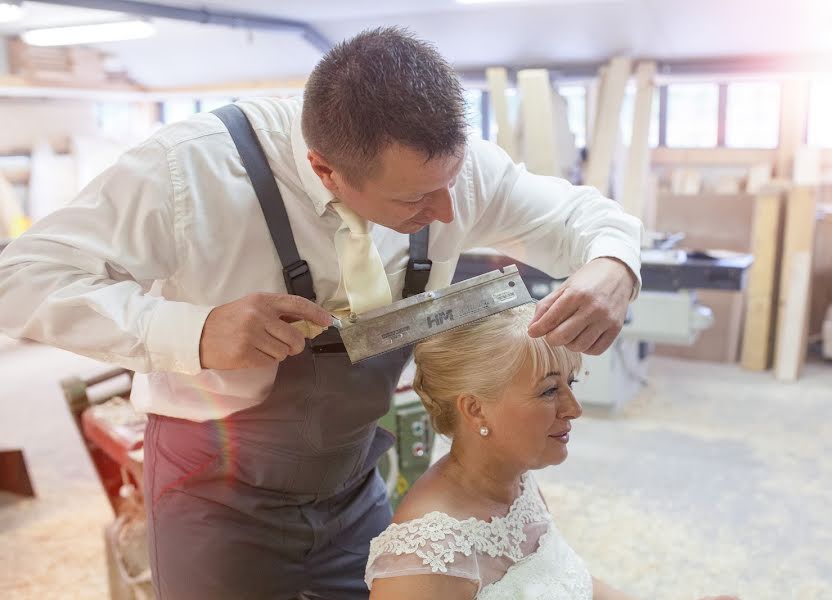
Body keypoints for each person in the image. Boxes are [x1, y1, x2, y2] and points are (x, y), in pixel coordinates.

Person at [0, 27, 641, 599]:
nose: (449, 214)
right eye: (416, 199)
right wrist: (191, 331)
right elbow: (20, 279)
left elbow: (585, 219)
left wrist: (614, 264)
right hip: (213, 494)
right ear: (325, 170)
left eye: (452, 182)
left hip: (350, 479)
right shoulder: (187, 173)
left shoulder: (454, 177)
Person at [367, 304, 738, 600]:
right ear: (475, 409)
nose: (574, 408)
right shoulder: (425, 559)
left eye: (570, 383)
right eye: (548, 391)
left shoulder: (517, 482)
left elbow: (562, 579)